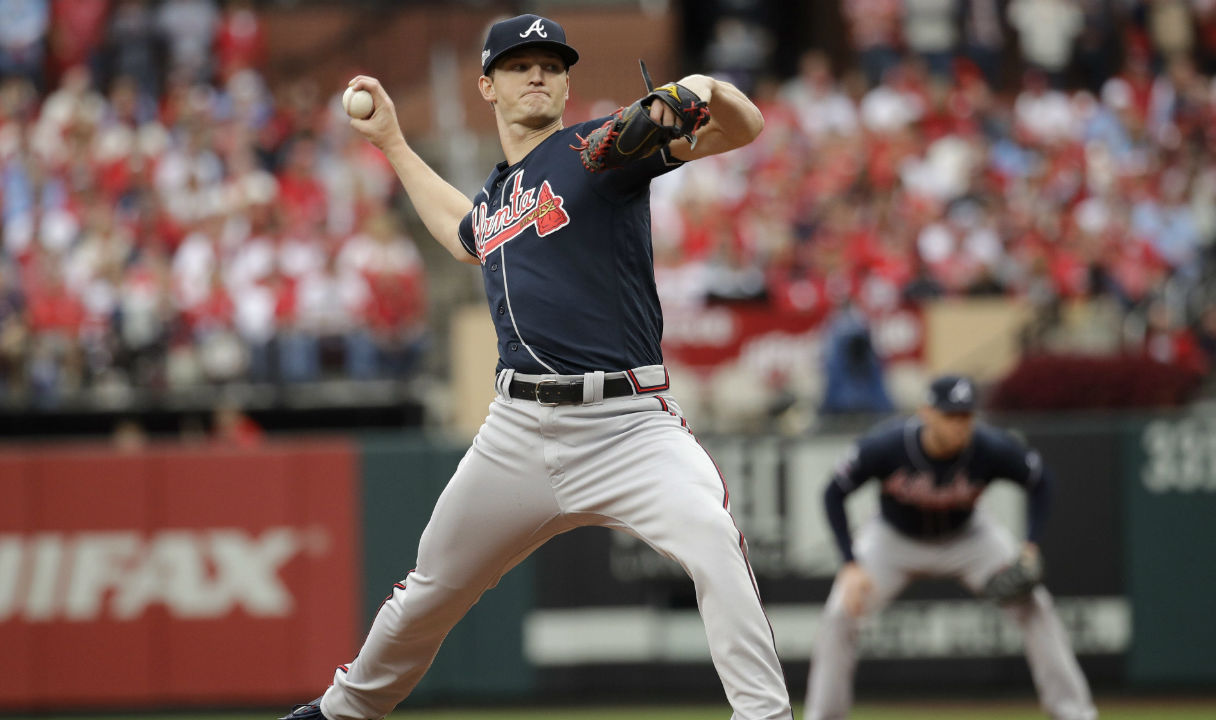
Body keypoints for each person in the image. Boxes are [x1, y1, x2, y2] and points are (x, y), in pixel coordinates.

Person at [280, 13, 793, 720]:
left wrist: (701, 87)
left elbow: (744, 128)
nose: (538, 74)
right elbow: (464, 235)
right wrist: (393, 142)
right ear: (486, 85)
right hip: (516, 431)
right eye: (521, 64)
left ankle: (764, 716)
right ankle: (341, 712)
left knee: (711, 538)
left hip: (627, 428)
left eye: (551, 64)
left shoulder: (596, 152)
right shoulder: (496, 198)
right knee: (429, 588)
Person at [803, 374, 1097, 720]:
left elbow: (1041, 480)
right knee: (840, 613)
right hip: (893, 540)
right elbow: (833, 493)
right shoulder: (889, 445)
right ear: (926, 412)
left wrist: (1030, 543)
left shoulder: (988, 447)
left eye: (966, 415)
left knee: (1035, 605)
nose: (960, 424)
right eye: (950, 415)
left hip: (969, 538)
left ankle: (1075, 714)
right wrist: (850, 564)